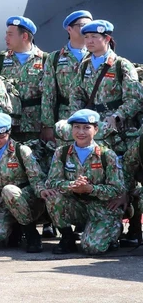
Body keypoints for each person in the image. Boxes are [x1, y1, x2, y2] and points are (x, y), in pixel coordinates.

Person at [69, 20, 142, 245]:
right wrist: (79, 119)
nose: (89, 41)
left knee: (126, 175)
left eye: (94, 37)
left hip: (119, 131)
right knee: (97, 175)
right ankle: (102, 223)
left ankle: (135, 228)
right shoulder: (84, 66)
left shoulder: (121, 65)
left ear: (107, 39)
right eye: (86, 37)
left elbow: (135, 98)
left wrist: (117, 116)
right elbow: (76, 94)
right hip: (93, 128)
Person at [42, 109, 124, 255]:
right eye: (77, 127)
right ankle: (67, 238)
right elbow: (51, 182)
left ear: (96, 129)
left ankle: (112, 230)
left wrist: (90, 189)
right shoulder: (61, 153)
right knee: (53, 197)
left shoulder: (107, 155)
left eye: (86, 128)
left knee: (92, 248)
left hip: (101, 208)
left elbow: (117, 189)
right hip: (76, 205)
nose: (81, 132)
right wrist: (72, 186)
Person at [0, 113, 46, 252]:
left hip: (24, 198)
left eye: (1, 136)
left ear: (8, 133)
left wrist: (42, 191)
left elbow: (36, 177)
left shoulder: (21, 151)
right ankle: (15, 228)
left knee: (9, 190)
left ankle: (31, 233)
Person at [0, 16, 46, 143]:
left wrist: (47, 125)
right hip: (8, 124)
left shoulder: (44, 59)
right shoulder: (2, 58)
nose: (6, 38)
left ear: (24, 36)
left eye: (10, 35)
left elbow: (49, 95)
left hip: (34, 124)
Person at [41, 11, 92, 142]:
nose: (88, 29)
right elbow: (48, 92)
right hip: (66, 118)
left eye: (90, 25)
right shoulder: (55, 58)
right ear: (69, 29)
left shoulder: (97, 55)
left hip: (93, 116)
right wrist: (48, 125)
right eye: (83, 25)